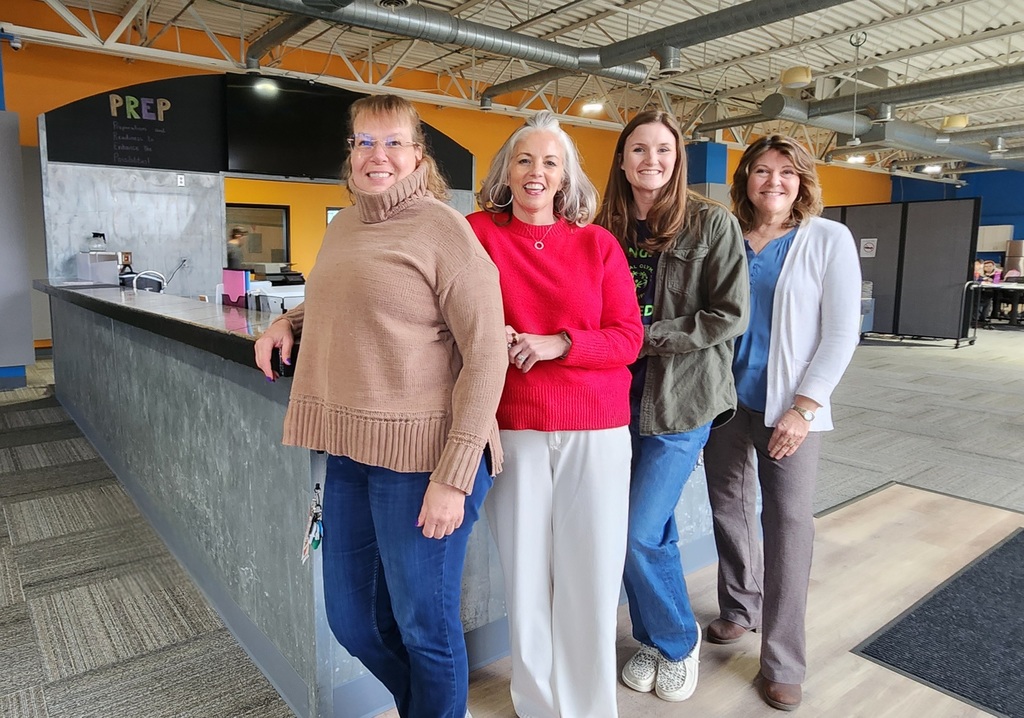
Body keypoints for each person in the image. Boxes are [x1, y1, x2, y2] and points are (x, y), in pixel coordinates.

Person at [253, 94, 507, 718]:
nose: (377, 156)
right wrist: (288, 319)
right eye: (364, 142)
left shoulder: (444, 228)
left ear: (419, 155)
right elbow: (345, 301)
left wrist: (454, 475)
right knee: (352, 620)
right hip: (351, 453)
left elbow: (486, 355)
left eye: (393, 142)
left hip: (426, 460)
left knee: (426, 628)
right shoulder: (345, 226)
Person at [467, 111, 643, 718]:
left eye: (549, 162)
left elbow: (628, 338)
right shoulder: (477, 234)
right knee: (525, 579)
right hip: (514, 427)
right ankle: (538, 705)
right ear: (506, 172)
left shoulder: (598, 244)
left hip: (596, 429)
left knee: (590, 579)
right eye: (524, 160)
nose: (535, 172)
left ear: (566, 177)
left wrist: (560, 343)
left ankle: (590, 708)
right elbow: (423, 294)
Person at [702, 135, 861, 711]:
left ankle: (783, 660)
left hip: (789, 409)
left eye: (787, 172)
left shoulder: (827, 239)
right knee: (729, 508)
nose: (774, 182)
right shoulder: (729, 238)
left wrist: (804, 407)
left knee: (790, 526)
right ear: (745, 179)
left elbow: (842, 332)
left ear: (803, 181)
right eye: (762, 171)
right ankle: (740, 608)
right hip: (724, 402)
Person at [595, 110, 749, 703]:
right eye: (638, 149)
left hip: (682, 399)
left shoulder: (711, 224)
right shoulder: (602, 225)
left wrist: (644, 336)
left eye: (663, 149)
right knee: (646, 527)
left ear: (678, 158)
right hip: (611, 397)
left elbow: (729, 315)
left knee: (634, 530)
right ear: (622, 158)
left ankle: (677, 641)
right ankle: (655, 642)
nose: (650, 160)